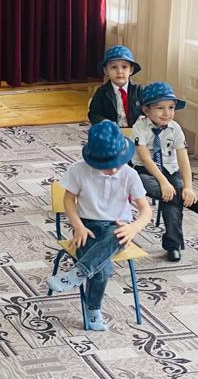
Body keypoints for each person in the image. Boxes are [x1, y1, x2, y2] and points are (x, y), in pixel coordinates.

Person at [46, 120, 152, 331]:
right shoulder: (78, 170)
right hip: (87, 226)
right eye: (106, 165)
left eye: (116, 163)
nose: (112, 169)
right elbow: (69, 200)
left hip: (117, 227)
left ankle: (77, 273)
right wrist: (77, 226)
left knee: (116, 234)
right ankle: (93, 309)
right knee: (101, 270)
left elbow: (146, 211)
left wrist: (133, 228)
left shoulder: (129, 174)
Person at [131, 82, 198, 262]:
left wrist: (188, 187)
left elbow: (183, 160)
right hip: (144, 171)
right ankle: (189, 203)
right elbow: (146, 159)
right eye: (160, 108)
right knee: (167, 192)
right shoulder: (139, 128)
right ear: (146, 110)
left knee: (172, 197)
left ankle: (173, 245)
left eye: (171, 107)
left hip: (170, 170)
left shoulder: (175, 128)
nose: (166, 113)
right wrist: (164, 183)